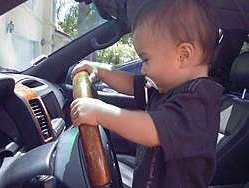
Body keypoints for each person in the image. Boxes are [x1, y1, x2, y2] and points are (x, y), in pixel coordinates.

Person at [70, 0, 224, 187]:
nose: (142, 70)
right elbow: (131, 83)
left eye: (146, 59)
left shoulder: (198, 102)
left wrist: (99, 113)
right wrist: (100, 70)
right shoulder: (167, 86)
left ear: (183, 55)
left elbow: (151, 130)